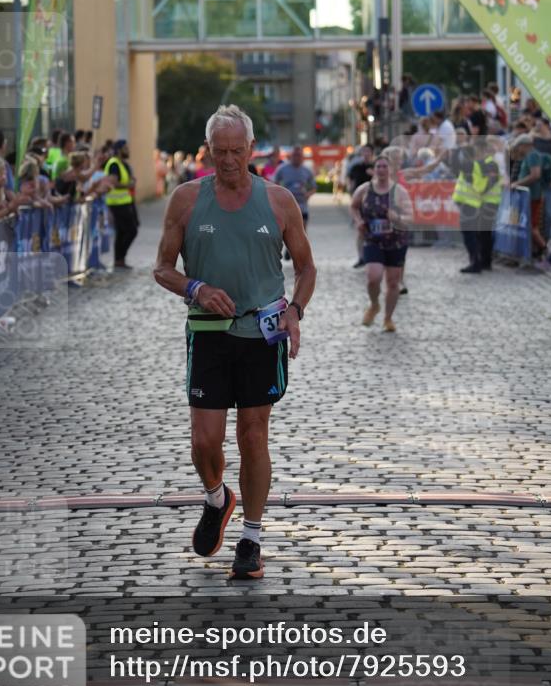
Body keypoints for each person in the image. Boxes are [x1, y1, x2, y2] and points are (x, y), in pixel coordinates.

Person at [153, 105, 316, 579]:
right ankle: (216, 498)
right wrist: (195, 288)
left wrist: (295, 311)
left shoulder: (279, 200)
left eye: (236, 151)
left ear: (251, 149)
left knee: (253, 434)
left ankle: (251, 538)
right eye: (219, 152)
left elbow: (306, 268)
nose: (228, 160)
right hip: (207, 333)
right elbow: (162, 267)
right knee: (204, 440)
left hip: (261, 333)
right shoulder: (186, 199)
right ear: (208, 151)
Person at [350, 154, 413, 332]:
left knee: (393, 283)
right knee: (373, 277)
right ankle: (374, 304)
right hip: (372, 240)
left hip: (396, 242)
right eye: (378, 167)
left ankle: (388, 318)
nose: (382, 170)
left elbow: (411, 217)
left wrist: (397, 217)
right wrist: (358, 221)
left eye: (385, 166)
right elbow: (354, 206)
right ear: (374, 169)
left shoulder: (399, 192)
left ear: (391, 170)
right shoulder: (365, 189)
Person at [452, 136, 501, 273]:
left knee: (482, 233)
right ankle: (481, 261)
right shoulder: (480, 163)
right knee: (479, 234)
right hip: (480, 202)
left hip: (487, 202)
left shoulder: (489, 163)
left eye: (476, 148)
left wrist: (480, 191)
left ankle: (482, 261)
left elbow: (490, 182)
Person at [274, 145, 316, 260]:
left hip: (302, 205)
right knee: (285, 229)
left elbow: (313, 187)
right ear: (290, 156)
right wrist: (280, 195)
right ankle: (288, 248)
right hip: (286, 206)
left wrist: (308, 194)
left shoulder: (306, 170)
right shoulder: (282, 169)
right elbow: (274, 183)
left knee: (303, 229)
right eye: (295, 155)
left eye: (299, 155)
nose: (297, 158)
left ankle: (300, 254)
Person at [509, 134, 547, 258]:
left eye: (519, 147)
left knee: (531, 226)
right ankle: (534, 251)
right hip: (528, 196)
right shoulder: (529, 155)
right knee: (527, 225)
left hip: (532, 196)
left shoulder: (532, 155)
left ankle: (543, 249)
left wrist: (516, 184)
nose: (518, 150)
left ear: (524, 145)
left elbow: (535, 175)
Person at [104, 139, 139, 269]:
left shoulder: (122, 163)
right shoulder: (114, 164)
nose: (128, 150)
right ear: (119, 150)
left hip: (125, 201)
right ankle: (120, 257)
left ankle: (119, 259)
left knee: (122, 232)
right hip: (117, 203)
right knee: (131, 230)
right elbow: (113, 182)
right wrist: (128, 184)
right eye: (126, 148)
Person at [346, 145, 375, 267]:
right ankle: (361, 257)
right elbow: (350, 180)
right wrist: (350, 190)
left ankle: (374, 256)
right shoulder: (356, 167)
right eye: (364, 152)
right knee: (361, 230)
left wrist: (373, 173)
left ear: (372, 153)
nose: (366, 154)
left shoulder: (377, 167)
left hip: (374, 203)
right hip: (360, 203)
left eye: (368, 151)